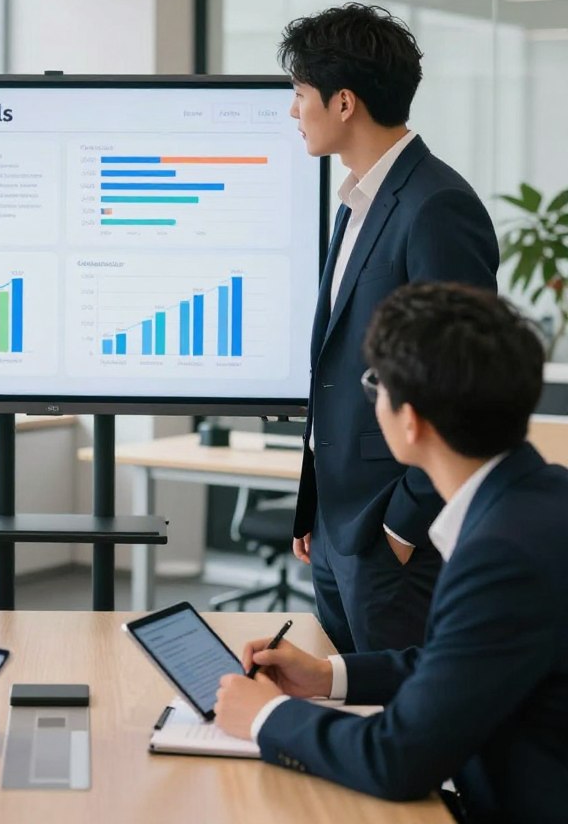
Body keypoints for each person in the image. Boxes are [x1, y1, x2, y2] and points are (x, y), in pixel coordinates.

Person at [215, 283, 568, 824]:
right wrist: (326, 675)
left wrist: (268, 716)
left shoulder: (503, 553)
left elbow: (399, 758)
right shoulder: (540, 497)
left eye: (374, 384)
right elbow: (458, 664)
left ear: (411, 419)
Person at [282, 3, 499, 653]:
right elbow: (337, 368)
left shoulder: (435, 206)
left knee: (400, 730)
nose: (294, 112)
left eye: (299, 94)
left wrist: (402, 528)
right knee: (343, 701)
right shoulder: (356, 202)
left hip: (391, 533)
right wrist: (314, 505)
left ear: (343, 102)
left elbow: (463, 386)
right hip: (335, 526)